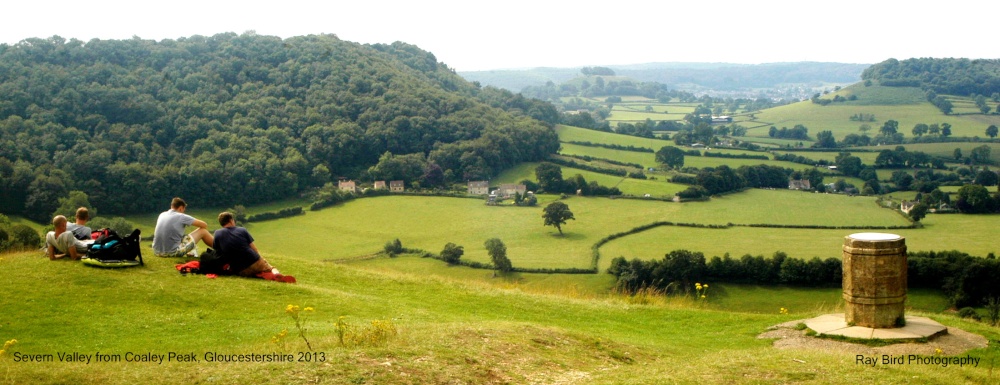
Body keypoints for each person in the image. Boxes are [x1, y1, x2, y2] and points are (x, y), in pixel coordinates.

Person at [214, 211, 294, 282]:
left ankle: (258, 274)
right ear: (231, 220)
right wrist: (261, 260)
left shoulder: (217, 233)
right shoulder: (242, 230)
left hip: (240, 270)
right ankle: (276, 274)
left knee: (252, 272)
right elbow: (254, 249)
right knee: (270, 268)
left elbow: (218, 252)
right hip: (254, 261)